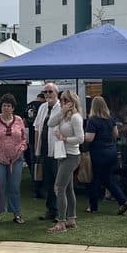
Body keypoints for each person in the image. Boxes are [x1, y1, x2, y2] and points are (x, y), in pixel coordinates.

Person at [0, 93, 28, 225]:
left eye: (9, 106)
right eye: (4, 105)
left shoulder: (19, 120)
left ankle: (16, 213)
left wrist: (22, 147)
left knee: (14, 186)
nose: (6, 108)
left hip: (16, 158)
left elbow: (24, 138)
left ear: (13, 108)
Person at [84, 95, 127, 215]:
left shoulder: (93, 120)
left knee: (94, 180)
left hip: (98, 153)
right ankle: (123, 200)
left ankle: (93, 206)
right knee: (107, 179)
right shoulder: (110, 119)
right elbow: (115, 134)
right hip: (111, 152)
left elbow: (89, 138)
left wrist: (81, 136)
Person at [47, 90, 84, 234]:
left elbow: (80, 138)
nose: (63, 103)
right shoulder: (64, 116)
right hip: (62, 154)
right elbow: (50, 123)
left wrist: (64, 139)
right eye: (62, 100)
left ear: (72, 102)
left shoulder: (76, 118)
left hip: (71, 155)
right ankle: (71, 219)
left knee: (59, 188)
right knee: (68, 188)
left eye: (66, 100)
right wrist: (61, 112)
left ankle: (61, 222)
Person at [33, 84, 62, 221]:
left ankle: (60, 212)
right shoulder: (42, 107)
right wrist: (36, 148)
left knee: (58, 182)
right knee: (48, 181)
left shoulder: (61, 108)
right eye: (45, 92)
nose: (47, 94)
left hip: (57, 150)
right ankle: (51, 209)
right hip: (44, 149)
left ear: (56, 93)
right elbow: (37, 128)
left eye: (50, 92)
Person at [25, 91, 47, 197]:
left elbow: (25, 121)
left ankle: (35, 188)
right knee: (43, 164)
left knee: (34, 164)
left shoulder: (28, 106)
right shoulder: (43, 107)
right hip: (41, 139)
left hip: (31, 138)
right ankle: (42, 188)